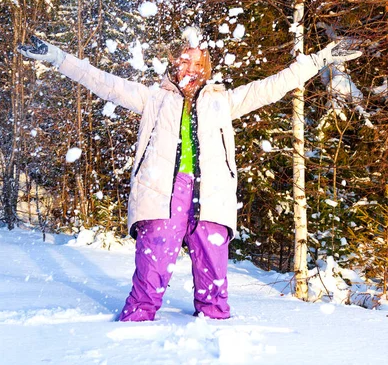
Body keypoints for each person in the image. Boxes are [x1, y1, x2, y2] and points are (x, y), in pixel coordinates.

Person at [18, 28, 362, 321]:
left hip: (211, 197)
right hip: (161, 196)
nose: (192, 69)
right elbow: (102, 82)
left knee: (214, 286)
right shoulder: (153, 99)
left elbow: (272, 86)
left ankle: (214, 359)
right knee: (148, 286)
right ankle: (130, 348)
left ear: (207, 69)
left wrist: (318, 60)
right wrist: (56, 57)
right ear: (173, 63)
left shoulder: (222, 101)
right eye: (185, 60)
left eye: (199, 63)